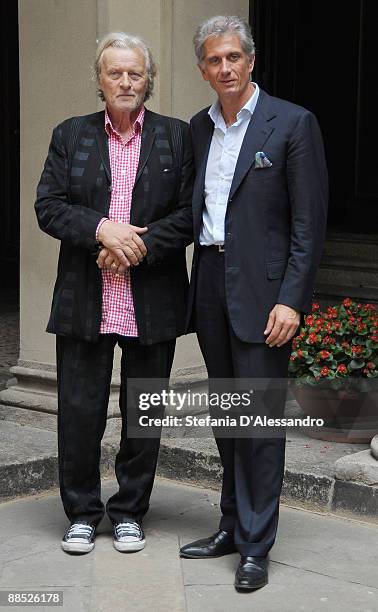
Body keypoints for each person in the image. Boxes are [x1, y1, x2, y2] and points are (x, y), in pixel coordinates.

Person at [179, 16, 328, 592]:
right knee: (228, 418)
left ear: (251, 59)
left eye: (234, 57)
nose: (225, 69)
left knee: (259, 422)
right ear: (203, 68)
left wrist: (292, 299)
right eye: (214, 61)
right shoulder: (199, 127)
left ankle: (256, 545)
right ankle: (232, 523)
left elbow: (308, 225)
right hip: (211, 282)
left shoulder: (291, 123)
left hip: (266, 296)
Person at [35, 32, 193, 555]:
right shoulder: (70, 135)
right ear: (99, 80)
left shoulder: (176, 137)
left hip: (152, 299)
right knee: (79, 411)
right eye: (115, 73)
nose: (126, 82)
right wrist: (104, 230)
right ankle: (82, 512)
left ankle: (128, 510)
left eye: (135, 73)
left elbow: (190, 213)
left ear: (149, 80)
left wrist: (135, 248)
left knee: (144, 410)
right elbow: (50, 206)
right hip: (86, 297)